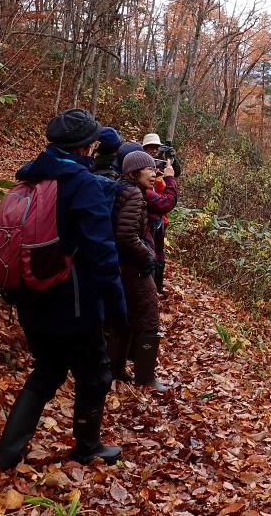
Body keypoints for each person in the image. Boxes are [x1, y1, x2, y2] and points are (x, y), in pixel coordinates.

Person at [0, 109, 128, 470]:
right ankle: (88, 445)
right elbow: (102, 254)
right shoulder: (81, 185)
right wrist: (117, 309)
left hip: (31, 295)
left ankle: (7, 454)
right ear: (86, 148)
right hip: (75, 303)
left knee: (48, 370)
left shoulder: (30, 176)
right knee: (95, 374)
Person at [109, 150, 168, 391]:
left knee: (124, 318)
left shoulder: (122, 189)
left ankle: (117, 370)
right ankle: (146, 378)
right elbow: (125, 235)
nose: (154, 174)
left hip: (121, 266)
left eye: (155, 169)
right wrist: (147, 255)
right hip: (133, 267)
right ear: (134, 172)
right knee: (148, 318)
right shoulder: (134, 194)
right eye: (149, 169)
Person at [140, 134, 178, 295]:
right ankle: (151, 287)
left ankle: (158, 286)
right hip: (150, 216)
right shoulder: (140, 167)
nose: (154, 150)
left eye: (156, 147)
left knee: (159, 252)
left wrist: (172, 158)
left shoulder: (158, 164)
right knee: (150, 251)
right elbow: (167, 201)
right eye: (150, 147)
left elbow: (175, 172)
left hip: (160, 218)